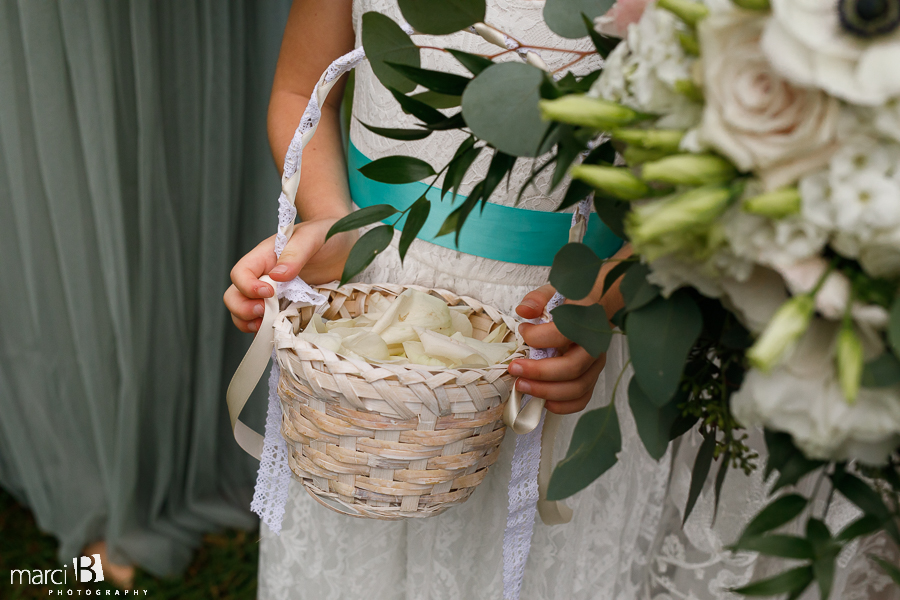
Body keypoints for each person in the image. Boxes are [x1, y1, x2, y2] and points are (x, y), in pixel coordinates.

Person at [225, 1, 896, 598]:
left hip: (576, 310)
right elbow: (300, 88)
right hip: (376, 314)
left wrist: (614, 292)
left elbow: (751, 173)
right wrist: (333, 224)